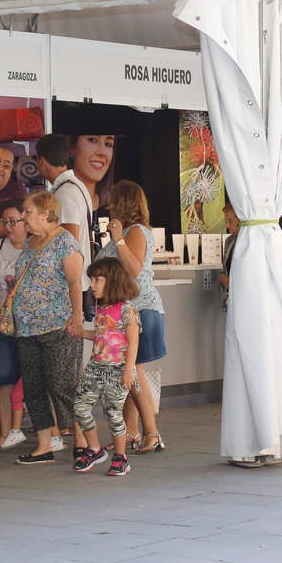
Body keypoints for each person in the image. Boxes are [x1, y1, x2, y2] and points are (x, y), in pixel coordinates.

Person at [12, 191, 84, 465]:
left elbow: (75, 283)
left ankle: (82, 440)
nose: (23, 217)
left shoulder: (65, 241)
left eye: (28, 211)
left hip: (57, 326)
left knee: (63, 385)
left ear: (45, 213)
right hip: (28, 328)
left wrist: (76, 317)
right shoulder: (31, 242)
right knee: (34, 387)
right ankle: (44, 445)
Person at [96, 180, 167, 454]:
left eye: (113, 199)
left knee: (133, 372)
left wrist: (118, 240)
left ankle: (152, 433)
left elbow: (134, 268)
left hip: (139, 310)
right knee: (131, 373)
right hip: (126, 310)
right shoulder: (128, 231)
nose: (109, 203)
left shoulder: (134, 232)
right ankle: (131, 431)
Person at [36, 134, 92, 454]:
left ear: (43, 161)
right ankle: (76, 436)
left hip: (69, 290)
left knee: (66, 372)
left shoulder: (67, 193)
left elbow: (69, 241)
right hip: (71, 288)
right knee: (64, 370)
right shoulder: (71, 188)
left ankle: (84, 439)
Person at [73, 258, 140, 477]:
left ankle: (120, 457)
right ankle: (94, 449)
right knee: (80, 407)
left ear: (112, 281)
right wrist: (82, 333)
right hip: (96, 367)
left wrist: (129, 370)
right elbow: (102, 336)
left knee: (113, 412)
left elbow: (133, 341)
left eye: (97, 279)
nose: (92, 284)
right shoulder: (101, 307)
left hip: (118, 369)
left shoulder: (126, 309)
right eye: (91, 279)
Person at [0, 198, 28, 451]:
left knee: (36, 378)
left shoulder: (34, 246)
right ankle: (5, 432)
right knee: (3, 378)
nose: (8, 227)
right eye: (5, 222)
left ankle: (50, 430)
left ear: (26, 220)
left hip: (30, 325)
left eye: (14, 221)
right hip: (0, 324)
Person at [68, 134, 116, 210]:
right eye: (93, 140)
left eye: (108, 144)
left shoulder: (115, 209)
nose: (102, 153)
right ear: (72, 147)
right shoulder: (57, 204)